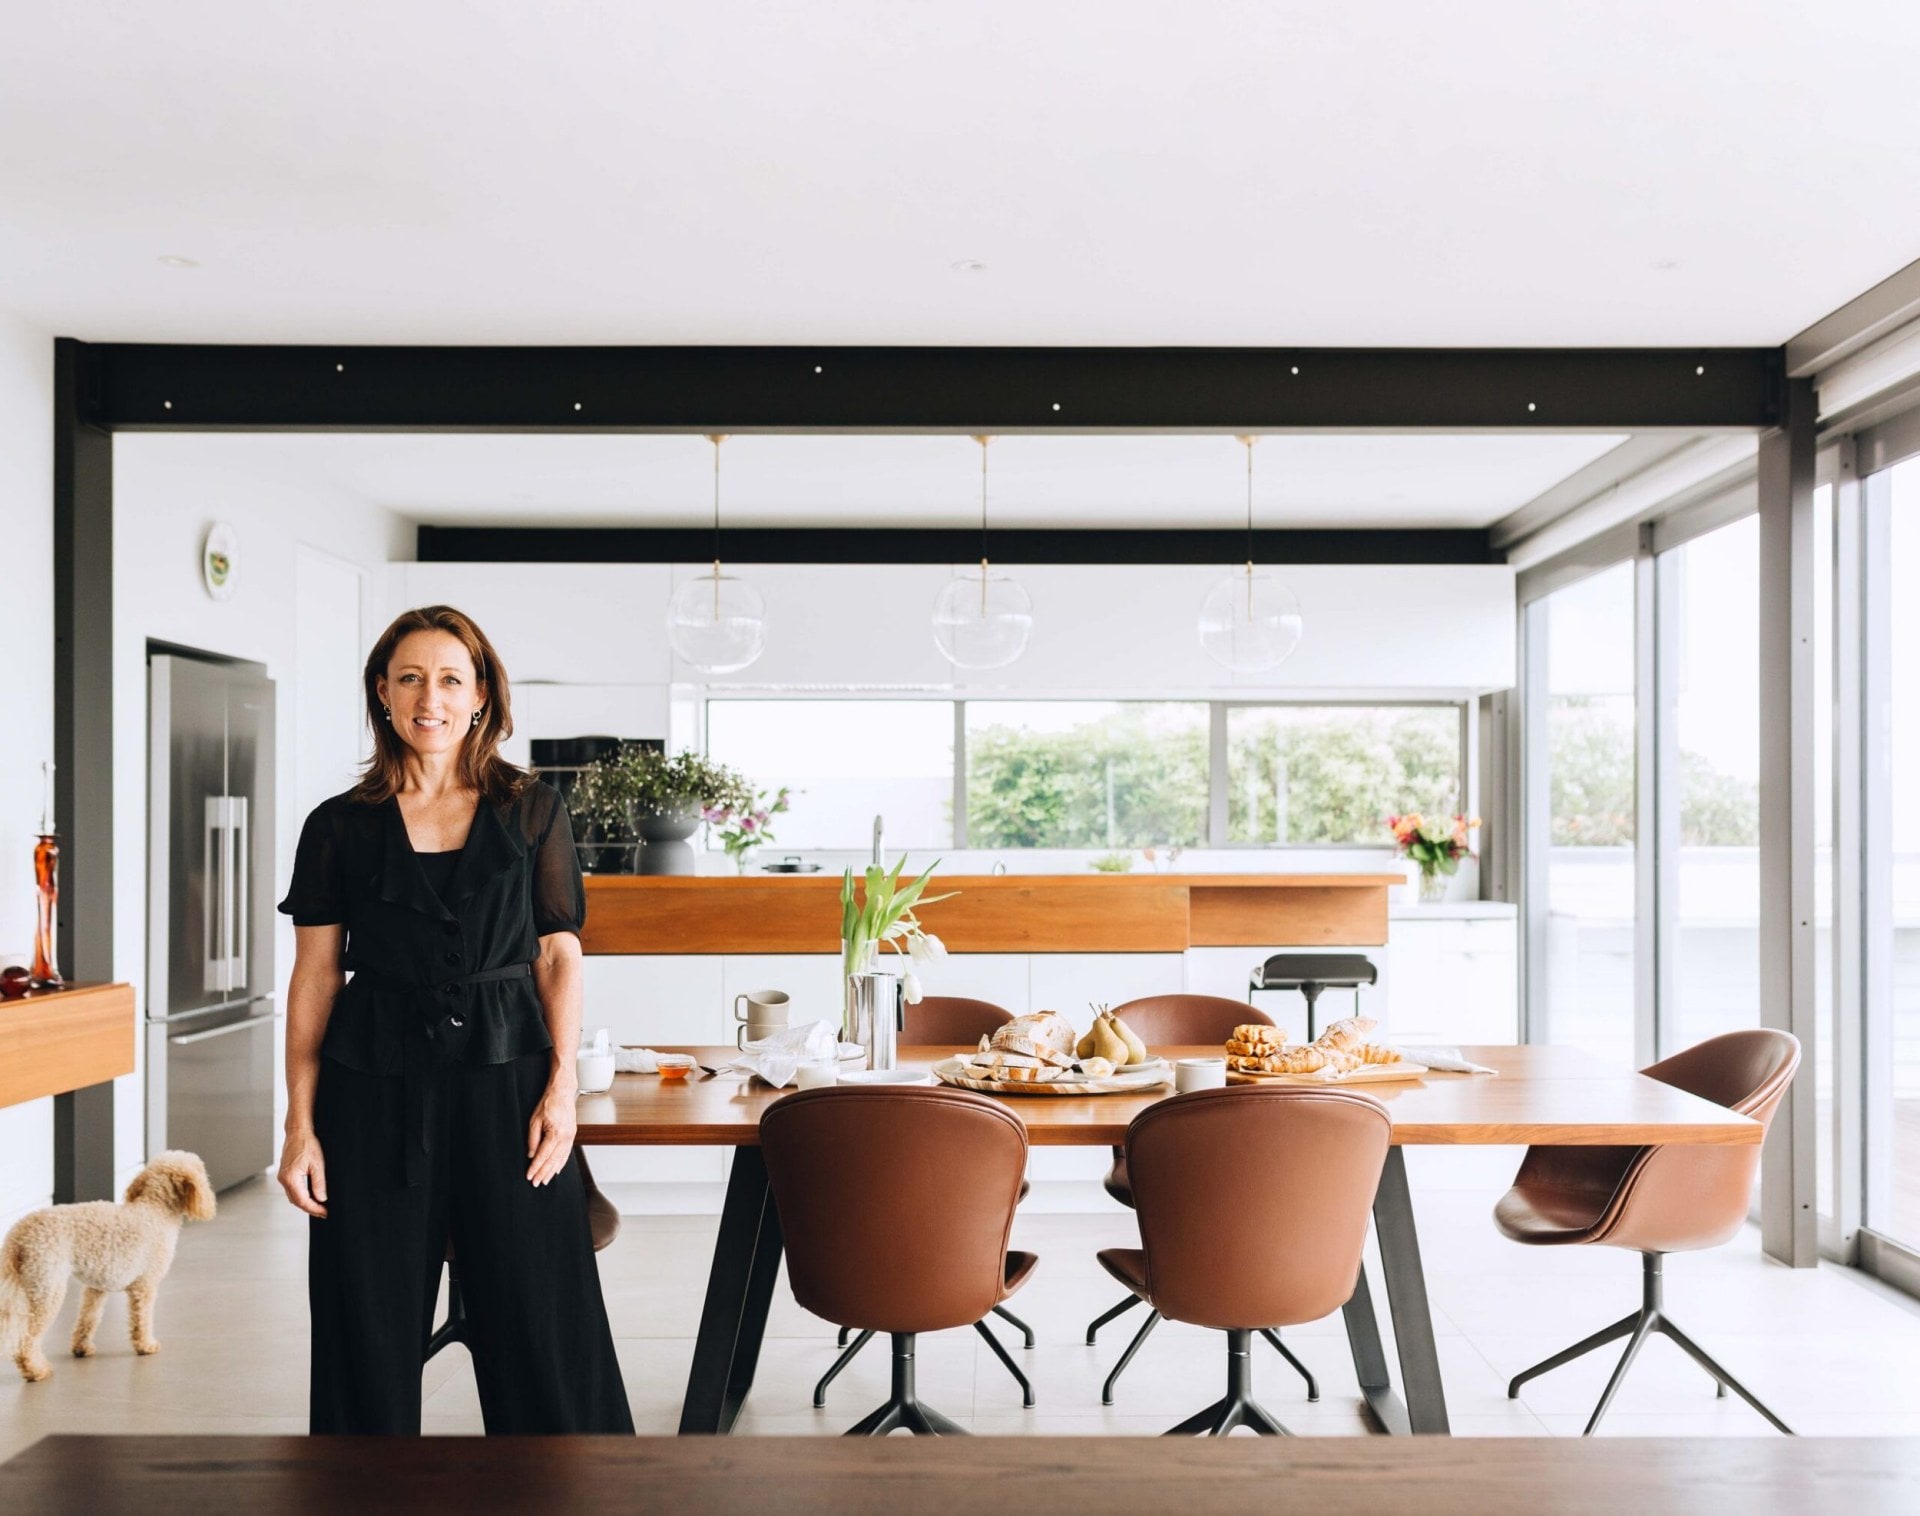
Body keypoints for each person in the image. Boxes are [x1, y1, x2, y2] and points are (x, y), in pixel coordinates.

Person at [276, 604, 632, 1435]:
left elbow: (558, 956)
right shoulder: (339, 825)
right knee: (365, 1314)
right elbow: (317, 976)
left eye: (448, 679)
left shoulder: (532, 810)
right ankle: (361, 1496)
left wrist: (562, 1091)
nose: (428, 697)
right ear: (382, 693)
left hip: (508, 1083)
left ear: (480, 697)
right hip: (371, 1090)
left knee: (542, 1313)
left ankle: (570, 1492)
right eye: (410, 678)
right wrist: (299, 1124)